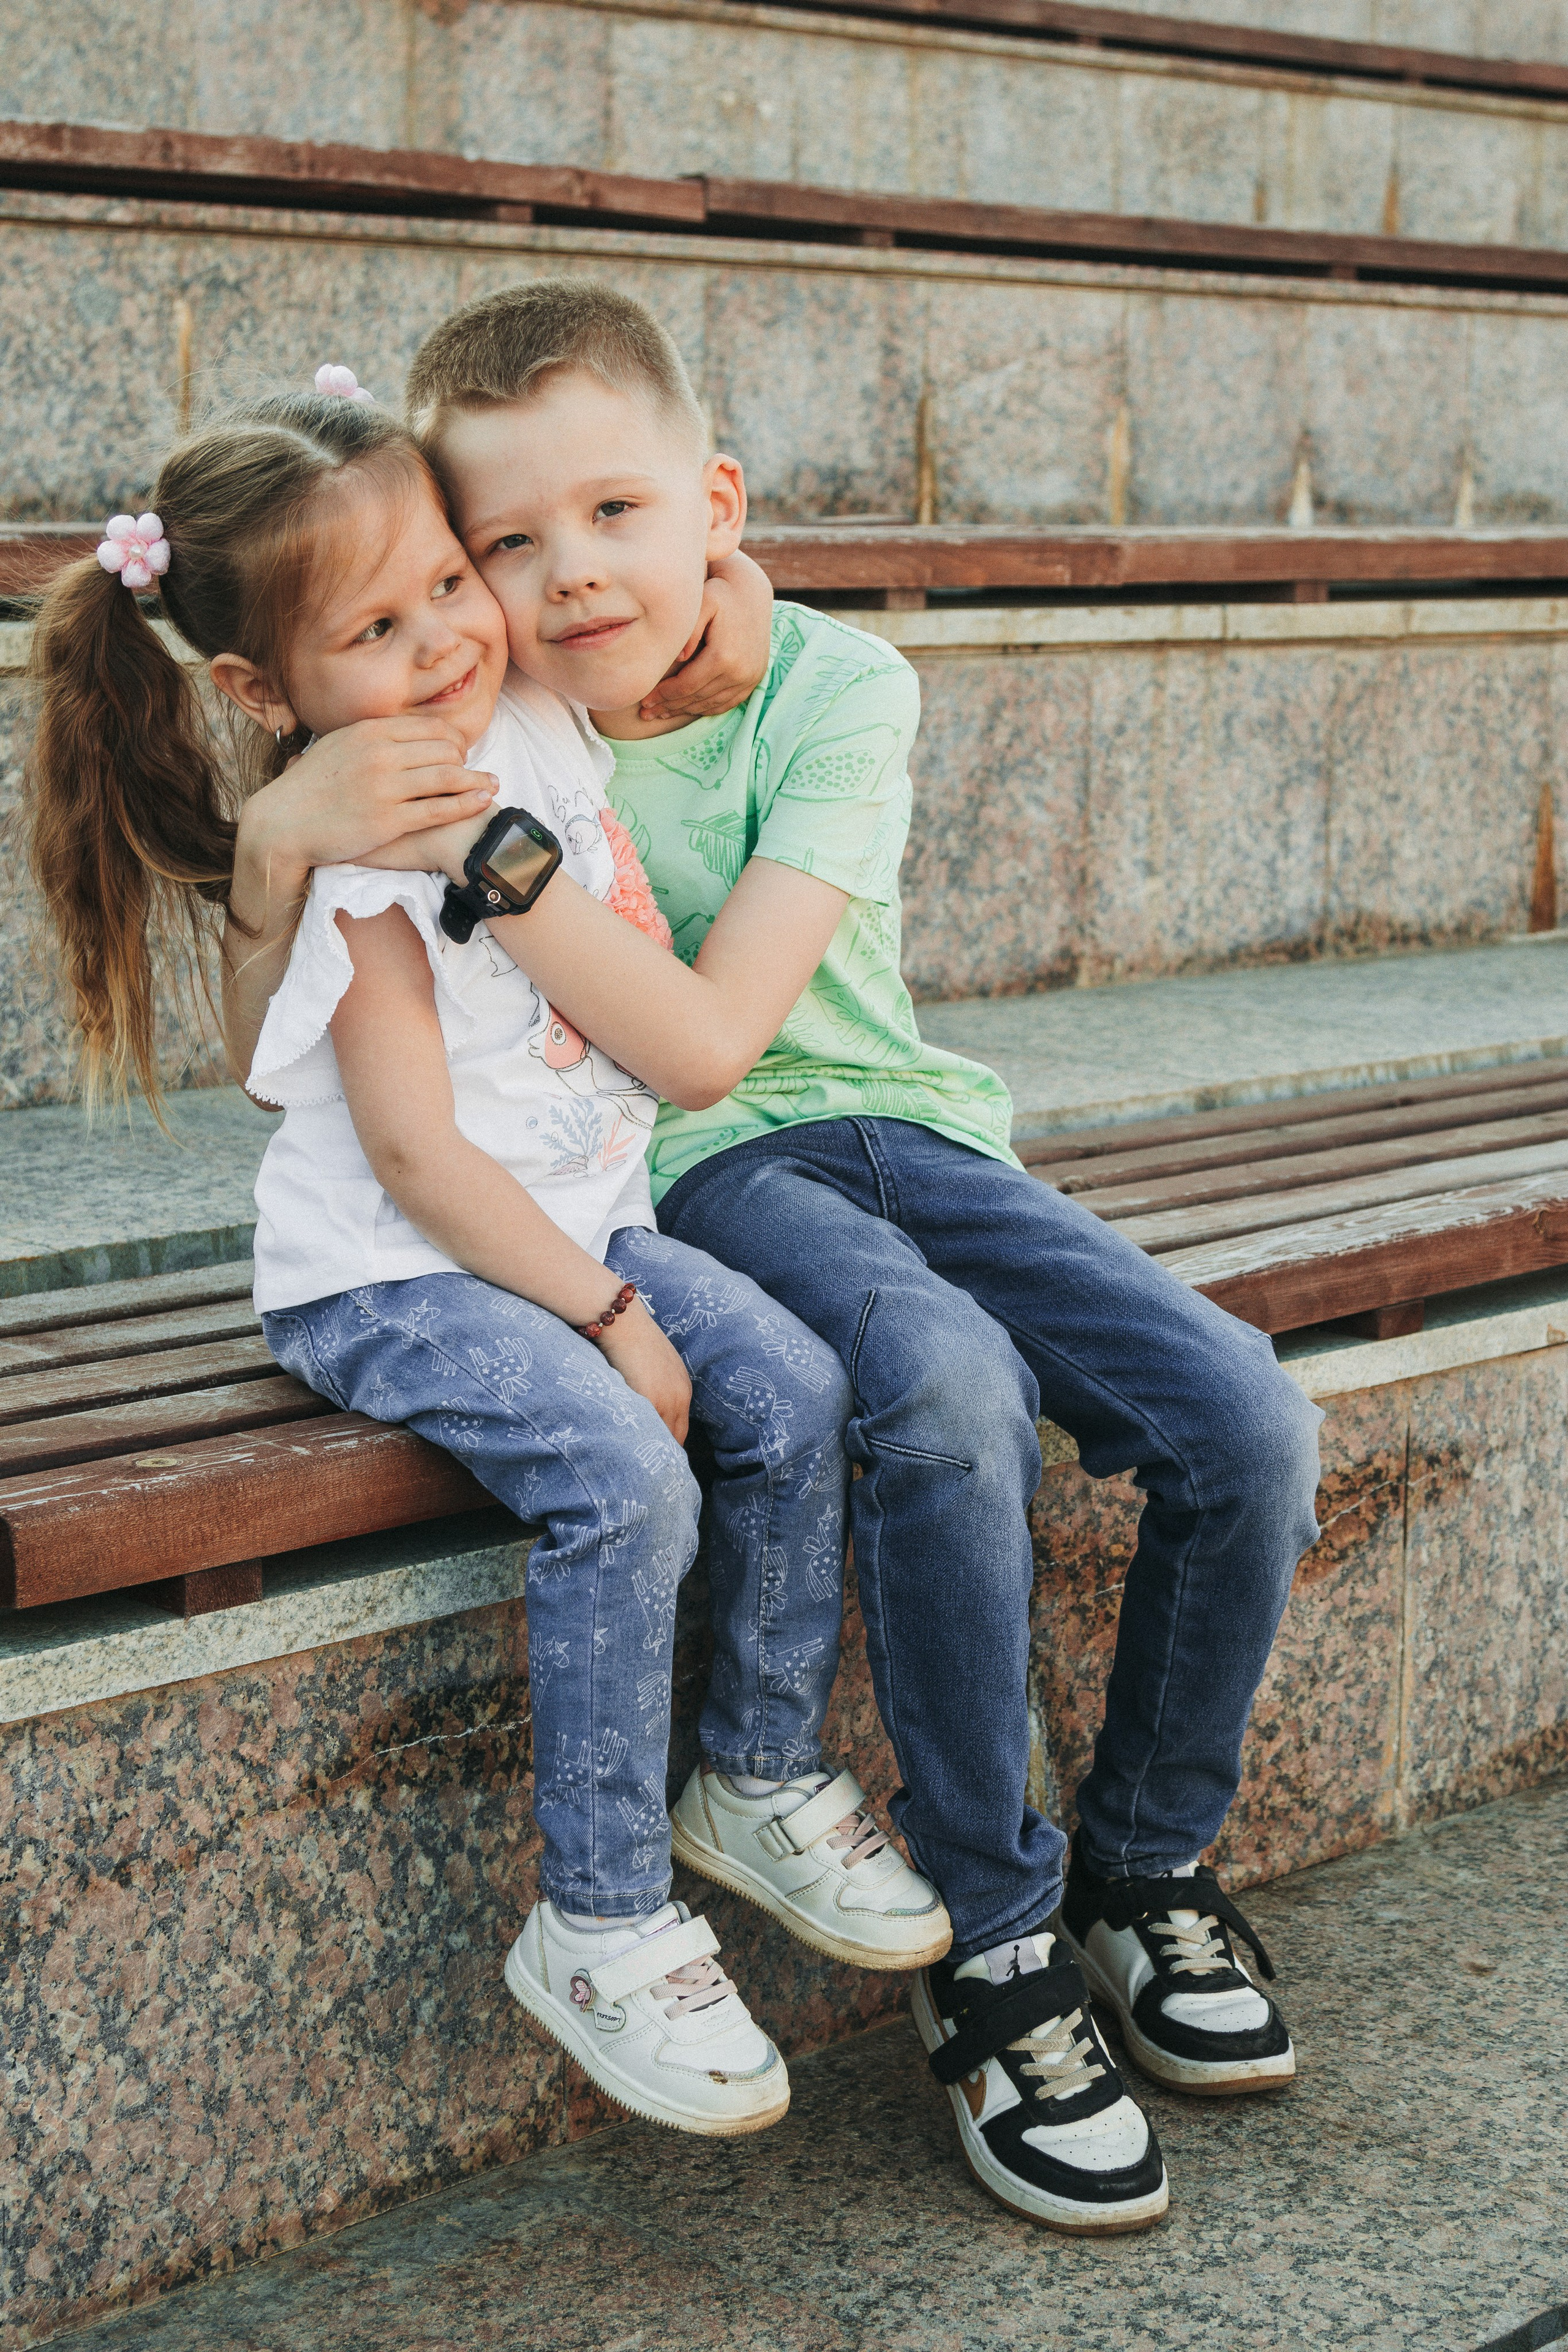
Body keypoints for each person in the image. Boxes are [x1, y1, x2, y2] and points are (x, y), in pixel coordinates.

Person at [220, 282, 1325, 2236]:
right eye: (509, 546)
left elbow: (721, 1021)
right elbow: (317, 906)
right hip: (704, 1175)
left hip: (902, 1124)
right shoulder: (498, 703)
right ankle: (998, 1954)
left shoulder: (833, 685)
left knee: (1243, 1415)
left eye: (619, 518)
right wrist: (272, 840)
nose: (564, 580)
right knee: (946, 1394)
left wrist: (529, 801)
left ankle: (1143, 1874)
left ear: (716, 500)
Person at [24, 376, 949, 2143]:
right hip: (398, 1271)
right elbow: (413, 1158)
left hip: (580, 1220)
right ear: (260, 688)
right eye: (378, 626)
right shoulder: (362, 846)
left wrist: (728, 586)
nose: (451, 632)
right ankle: (597, 1917)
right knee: (626, 1477)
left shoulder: (510, 703)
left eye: (450, 579)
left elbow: (656, 603)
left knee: (792, 1382)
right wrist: (605, 1313)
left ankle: (753, 1773)